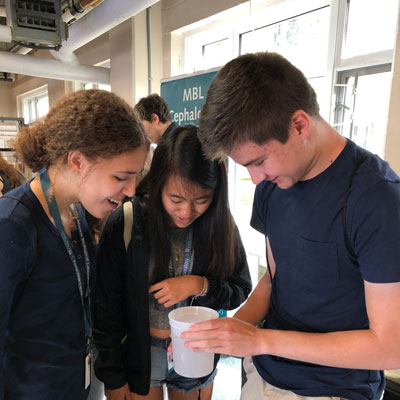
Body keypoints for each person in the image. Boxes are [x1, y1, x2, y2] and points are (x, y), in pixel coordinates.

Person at [181, 52, 400, 400]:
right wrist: (228, 333)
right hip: (262, 372)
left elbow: (390, 347)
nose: (255, 179)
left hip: (333, 389)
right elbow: (274, 278)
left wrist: (260, 339)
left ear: (299, 126)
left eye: (259, 161)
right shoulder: (273, 185)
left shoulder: (376, 200)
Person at [0, 89, 150, 400]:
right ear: (78, 161)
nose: (131, 190)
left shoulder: (76, 210)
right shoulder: (13, 226)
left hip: (75, 383)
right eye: (121, 177)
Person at [93, 125, 252, 400]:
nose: (187, 212)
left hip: (196, 350)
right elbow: (105, 308)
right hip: (142, 352)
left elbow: (239, 289)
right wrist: (112, 376)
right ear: (157, 185)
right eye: (175, 198)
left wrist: (198, 285)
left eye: (202, 200)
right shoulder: (129, 221)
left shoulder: (220, 225)